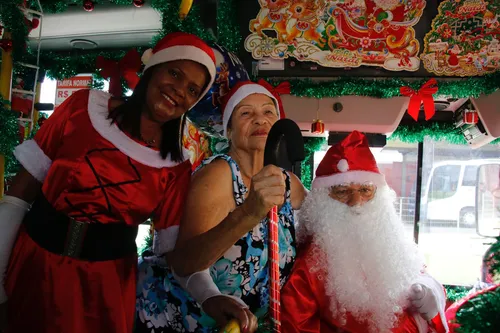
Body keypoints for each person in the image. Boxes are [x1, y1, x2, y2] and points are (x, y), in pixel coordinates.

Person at [0, 32, 216, 333]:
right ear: (153, 67)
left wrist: (212, 297)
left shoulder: (176, 167)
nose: (179, 90)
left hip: (104, 291)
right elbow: (20, 191)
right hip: (34, 267)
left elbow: (175, 256)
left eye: (193, 89)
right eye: (174, 73)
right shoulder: (82, 108)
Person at [135, 80, 307, 332]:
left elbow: (321, 228)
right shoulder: (219, 174)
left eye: (268, 112)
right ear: (229, 131)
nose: (260, 120)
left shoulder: (289, 182)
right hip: (185, 318)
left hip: (247, 325)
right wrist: (249, 212)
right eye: (246, 113)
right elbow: (185, 262)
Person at [281, 131, 449, 333]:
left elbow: (417, 274)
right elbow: (295, 326)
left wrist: (432, 290)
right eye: (343, 192)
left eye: (365, 190)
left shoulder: (387, 236)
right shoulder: (309, 265)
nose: (356, 202)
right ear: (323, 200)